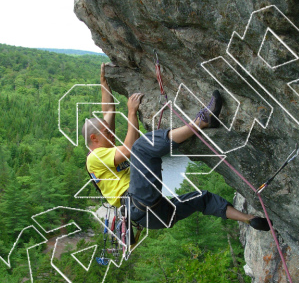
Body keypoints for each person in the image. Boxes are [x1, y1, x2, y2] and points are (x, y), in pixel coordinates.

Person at [83, 63, 272, 231]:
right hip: (138, 203)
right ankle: (203, 121)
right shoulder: (94, 158)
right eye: (107, 133)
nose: (111, 132)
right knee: (141, 147)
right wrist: (131, 113)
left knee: (201, 199)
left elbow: (108, 111)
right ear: (94, 138)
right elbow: (129, 149)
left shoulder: (103, 149)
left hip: (156, 216)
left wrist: (104, 81)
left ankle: (250, 219)